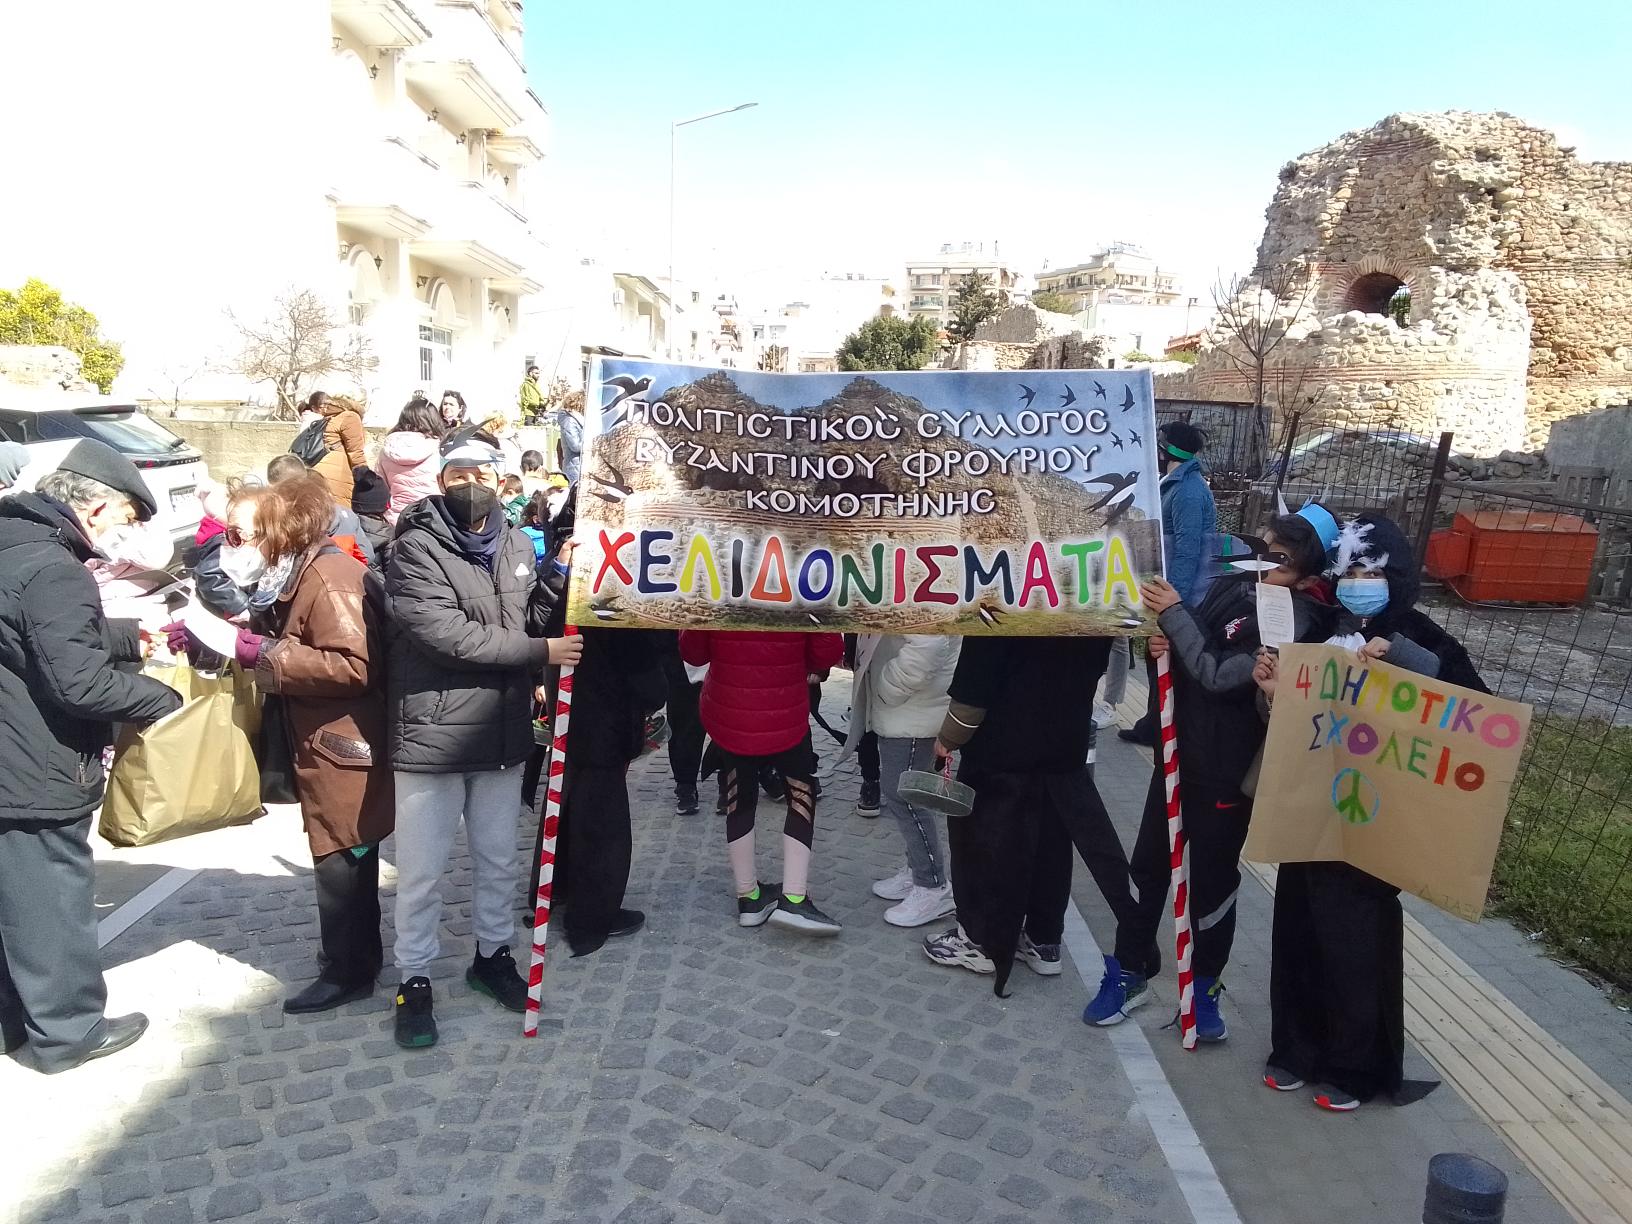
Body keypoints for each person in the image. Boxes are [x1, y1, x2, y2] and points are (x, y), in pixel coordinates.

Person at [1085, 505, 1341, 1040]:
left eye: (1283, 560)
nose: (1265, 564)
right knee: (1149, 868)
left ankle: (1204, 989)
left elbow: (1220, 674)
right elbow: (1189, 650)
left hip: (1229, 772)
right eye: (1263, 548)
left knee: (1212, 882)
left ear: (1309, 574)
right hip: (1178, 758)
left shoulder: (1301, 619)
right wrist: (1164, 647)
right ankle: (1129, 969)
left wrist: (1176, 622)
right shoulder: (1233, 587)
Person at [1257, 512, 1481, 1111]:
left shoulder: (1424, 636)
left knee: (1354, 939)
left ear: (1396, 576)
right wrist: (1269, 691)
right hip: (1309, 809)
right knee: (1298, 928)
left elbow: (1477, 718)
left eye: (1372, 571)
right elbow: (1284, 719)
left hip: (1377, 822)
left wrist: (1402, 661)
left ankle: (1354, 1067)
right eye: (1350, 569)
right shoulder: (1321, 626)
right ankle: (1295, 1050)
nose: (1359, 581)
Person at [385, 435, 581, 1048]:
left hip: (501, 732)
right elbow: (449, 637)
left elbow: (529, 619)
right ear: (441, 480)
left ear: (501, 479)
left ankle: (492, 956)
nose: (472, 483)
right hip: (433, 737)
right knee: (421, 872)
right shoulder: (413, 549)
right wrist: (539, 654)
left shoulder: (519, 542)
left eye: (483, 472)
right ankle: (413, 979)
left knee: (498, 861)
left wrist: (562, 575)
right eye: (459, 472)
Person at [0, 441, 183, 1072]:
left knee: (11, 895)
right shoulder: (56, 568)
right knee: (50, 898)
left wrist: (128, 636)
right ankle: (69, 1032)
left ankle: (13, 1021)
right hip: (34, 762)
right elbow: (77, 683)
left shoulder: (13, 542)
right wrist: (164, 699)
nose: (126, 535)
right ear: (96, 505)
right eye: (128, 520)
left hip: (8, 750)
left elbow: (25, 629)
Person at [222, 480, 394, 1014]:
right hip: (322, 740)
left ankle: (350, 970)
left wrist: (263, 654)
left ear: (280, 529)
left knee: (341, 855)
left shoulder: (328, 574)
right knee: (340, 853)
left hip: (343, 744)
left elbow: (355, 665)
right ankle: (351, 957)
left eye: (242, 534)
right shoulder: (298, 572)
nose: (235, 545)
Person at [927, 636, 1139, 994]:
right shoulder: (1087, 607)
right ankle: (1044, 940)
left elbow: (973, 693)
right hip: (1063, 752)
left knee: (987, 849)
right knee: (1050, 850)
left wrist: (948, 739)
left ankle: (980, 940)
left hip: (1002, 755)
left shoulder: (1003, 600)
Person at [530, 488, 666, 957]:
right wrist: (657, 693)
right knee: (600, 819)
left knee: (567, 800)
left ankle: (553, 892)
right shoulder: (608, 567)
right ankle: (593, 913)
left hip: (578, 706)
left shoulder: (563, 559)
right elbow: (632, 650)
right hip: (601, 710)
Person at [679, 629, 844, 935]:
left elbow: (694, 653)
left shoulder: (716, 582)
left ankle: (749, 897)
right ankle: (794, 897)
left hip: (730, 710)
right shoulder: (803, 583)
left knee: (738, 797)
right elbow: (825, 655)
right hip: (785, 710)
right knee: (800, 796)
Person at [843, 634, 961, 927]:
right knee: (904, 796)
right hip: (910, 708)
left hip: (914, 711)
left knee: (907, 800)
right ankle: (918, 870)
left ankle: (932, 886)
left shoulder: (922, 590)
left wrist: (886, 688)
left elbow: (929, 645)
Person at [1122, 420, 1218, 747]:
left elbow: (1188, 550)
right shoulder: (1175, 484)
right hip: (1169, 593)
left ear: (1166, 451)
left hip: (1180, 597)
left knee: (1168, 663)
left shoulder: (1188, 491)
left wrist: (1171, 603)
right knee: (1157, 661)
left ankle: (1163, 729)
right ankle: (1153, 724)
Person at [266, 455, 376, 566]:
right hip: (344, 575)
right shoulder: (345, 514)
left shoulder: (281, 521)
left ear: (276, 489)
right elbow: (367, 555)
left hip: (308, 578)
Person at [378, 398, 446, 526]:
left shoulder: (387, 450)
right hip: (432, 516)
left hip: (396, 518)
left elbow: (381, 487)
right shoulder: (439, 449)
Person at [661, 633, 706, 816]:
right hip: (677, 637)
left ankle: (728, 780)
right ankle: (685, 783)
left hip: (724, 630)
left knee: (731, 714)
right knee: (684, 716)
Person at [311, 393, 369, 511]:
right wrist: (366, 478)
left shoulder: (330, 417)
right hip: (338, 475)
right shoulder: (350, 417)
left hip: (320, 471)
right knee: (340, 519)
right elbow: (355, 452)